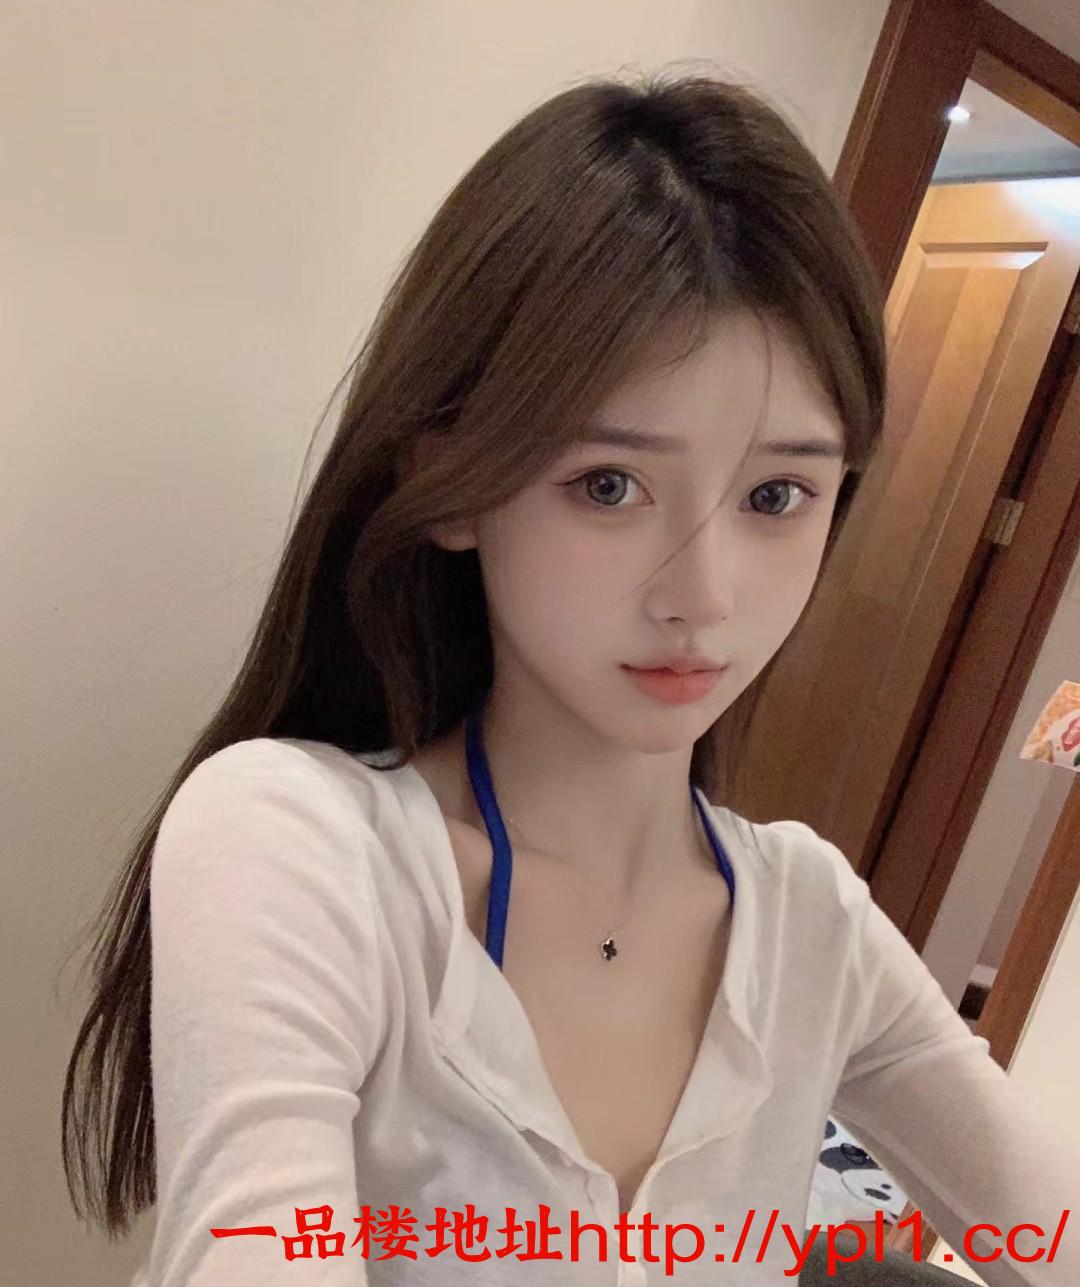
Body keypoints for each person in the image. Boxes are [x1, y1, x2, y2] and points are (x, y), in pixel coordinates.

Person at [61, 71, 1079, 1286]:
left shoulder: (810, 921)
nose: (705, 594)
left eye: (777, 495)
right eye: (610, 485)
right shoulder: (304, 847)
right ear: (453, 482)